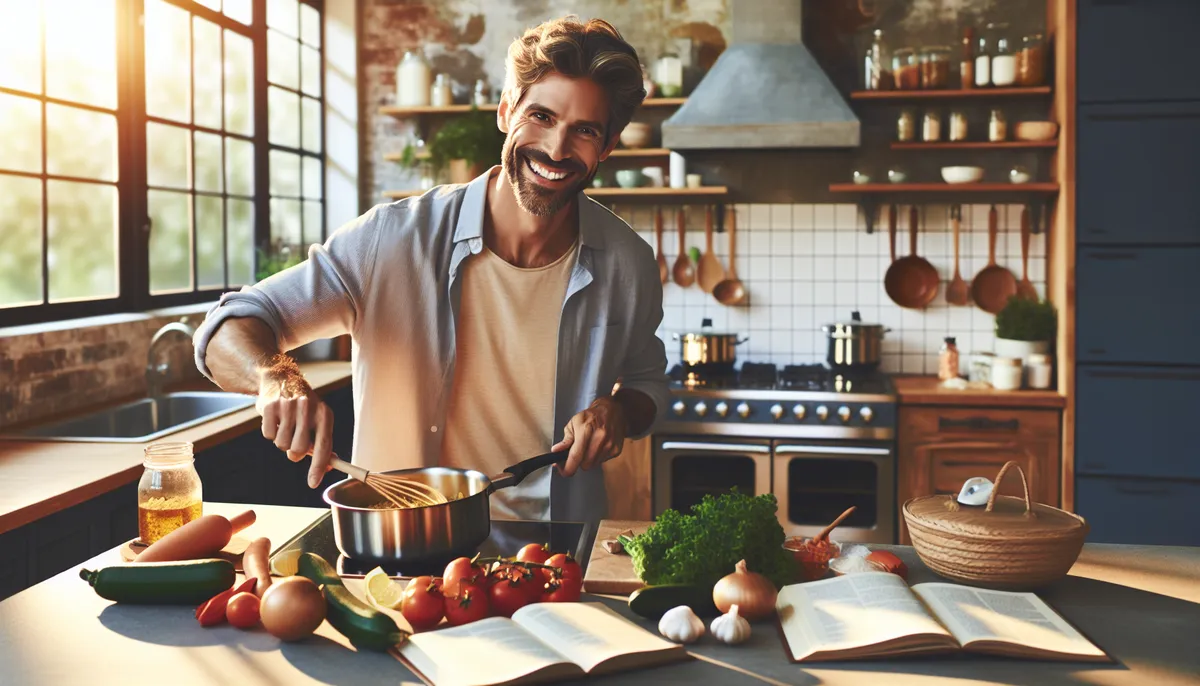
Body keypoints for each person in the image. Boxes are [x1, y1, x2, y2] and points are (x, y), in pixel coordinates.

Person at [193, 16, 669, 524]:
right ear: (507, 111)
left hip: (553, 555)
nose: (556, 149)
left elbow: (648, 386)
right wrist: (277, 380)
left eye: (585, 131)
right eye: (542, 117)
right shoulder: (393, 239)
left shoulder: (628, 263)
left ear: (609, 145)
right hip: (403, 548)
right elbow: (229, 326)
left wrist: (617, 411)